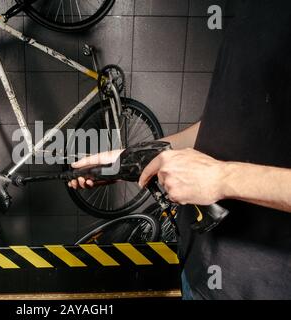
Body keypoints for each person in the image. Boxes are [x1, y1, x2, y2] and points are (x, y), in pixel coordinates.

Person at [68, 0, 291, 299]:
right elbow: (223, 125)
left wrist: (223, 178)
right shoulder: (255, 10)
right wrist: (132, 157)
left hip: (263, 287)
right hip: (201, 265)